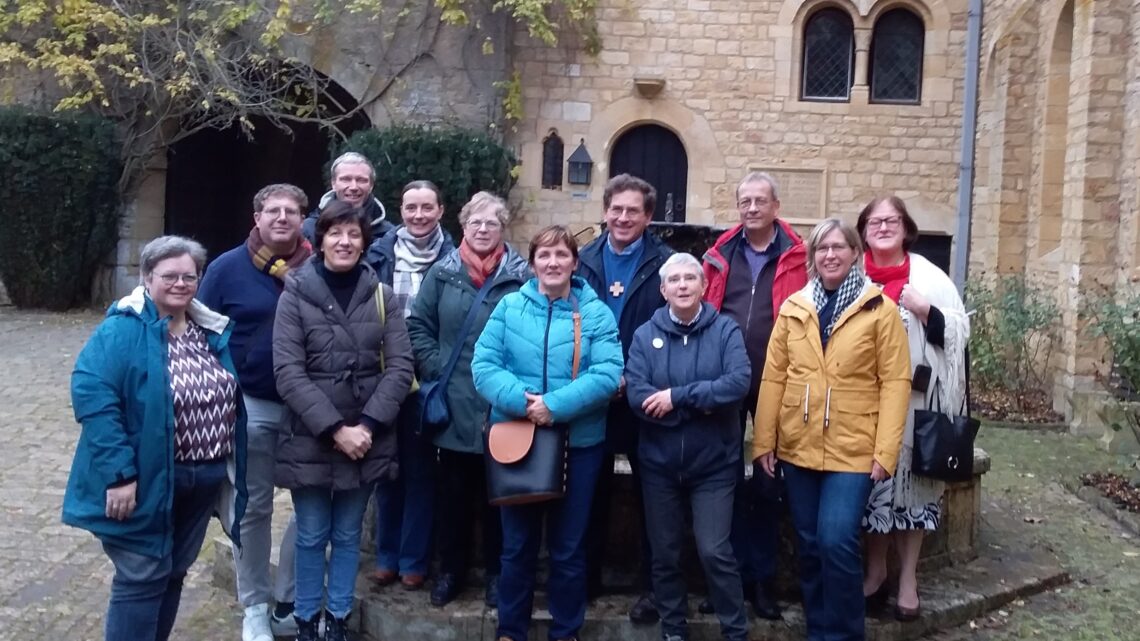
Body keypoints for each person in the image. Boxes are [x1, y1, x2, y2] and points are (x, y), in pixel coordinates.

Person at [63, 235, 248, 641]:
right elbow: (93, 396)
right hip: (144, 479)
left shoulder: (207, 329)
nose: (181, 283)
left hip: (203, 478)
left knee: (172, 572)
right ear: (147, 278)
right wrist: (119, 474)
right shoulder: (122, 329)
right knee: (142, 574)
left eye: (189, 276)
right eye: (169, 276)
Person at [752, 218, 910, 641]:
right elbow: (774, 376)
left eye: (840, 247)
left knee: (836, 540)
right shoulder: (795, 307)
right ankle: (818, 630)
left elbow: (895, 382)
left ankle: (844, 634)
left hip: (854, 446)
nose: (831, 255)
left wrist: (886, 450)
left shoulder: (879, 309)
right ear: (812, 256)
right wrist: (765, 440)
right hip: (799, 443)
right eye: (823, 248)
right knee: (808, 543)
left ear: (856, 254)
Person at [472, 225, 623, 641]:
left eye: (561, 255)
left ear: (575, 262)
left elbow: (608, 373)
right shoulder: (509, 307)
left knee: (568, 548)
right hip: (518, 436)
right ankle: (510, 630)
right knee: (516, 545)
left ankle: (566, 631)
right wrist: (525, 403)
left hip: (580, 443)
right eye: (544, 255)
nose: (553, 262)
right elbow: (483, 366)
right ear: (533, 262)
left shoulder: (595, 313)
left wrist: (554, 407)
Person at [273, 201, 414, 641]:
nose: (345, 242)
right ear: (320, 240)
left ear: (364, 242)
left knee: (349, 534)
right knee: (313, 534)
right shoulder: (295, 294)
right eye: (336, 233)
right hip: (312, 436)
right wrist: (336, 429)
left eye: (354, 235)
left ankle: (336, 619)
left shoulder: (382, 296)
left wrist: (367, 426)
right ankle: (305, 620)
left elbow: (400, 367)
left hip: (368, 436)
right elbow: (288, 371)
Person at [407, 191, 530, 607]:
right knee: (453, 499)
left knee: (501, 500)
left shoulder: (521, 276)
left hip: (503, 406)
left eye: (491, 223)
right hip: (455, 402)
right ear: (463, 226)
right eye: (475, 222)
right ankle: (451, 572)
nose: (482, 229)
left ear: (503, 228)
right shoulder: (441, 274)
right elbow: (418, 325)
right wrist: (436, 366)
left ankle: (498, 575)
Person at [198, 183, 308, 641]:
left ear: (304, 219)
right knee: (253, 507)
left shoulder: (320, 267)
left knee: (313, 505)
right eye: (273, 210)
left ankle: (289, 597)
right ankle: (255, 606)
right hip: (252, 405)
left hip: (309, 408)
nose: (282, 218)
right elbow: (201, 334)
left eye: (291, 211)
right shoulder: (226, 269)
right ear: (257, 217)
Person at [625, 253, 753, 641]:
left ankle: (735, 630)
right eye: (674, 280)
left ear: (702, 286)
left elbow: (737, 383)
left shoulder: (725, 331)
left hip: (713, 465)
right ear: (663, 290)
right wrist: (702, 407)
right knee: (665, 553)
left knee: (714, 550)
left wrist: (678, 398)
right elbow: (638, 395)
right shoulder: (645, 336)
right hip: (659, 465)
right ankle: (673, 629)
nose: (682, 285)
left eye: (690, 279)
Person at [857, 196, 970, 621]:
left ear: (906, 228)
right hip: (864, 403)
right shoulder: (853, 272)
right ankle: (874, 572)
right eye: (874, 221)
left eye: (892, 220)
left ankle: (907, 581)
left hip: (918, 403)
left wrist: (926, 310)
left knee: (914, 492)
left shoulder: (930, 276)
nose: (883, 227)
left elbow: (960, 331)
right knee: (873, 491)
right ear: (863, 229)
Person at [700, 171, 807, 619]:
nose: (751, 208)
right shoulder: (720, 253)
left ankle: (761, 582)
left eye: (760, 201)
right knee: (719, 482)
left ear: (775, 206)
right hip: (725, 382)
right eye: (745, 201)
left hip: (775, 385)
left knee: (766, 485)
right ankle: (724, 583)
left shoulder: (800, 255)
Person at [576, 173, 672, 622]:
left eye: (633, 210)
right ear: (604, 211)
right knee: (586, 491)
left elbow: (673, 331)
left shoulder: (666, 264)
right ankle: (584, 579)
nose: (623, 217)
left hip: (644, 398)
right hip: (592, 396)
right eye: (616, 209)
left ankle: (654, 587)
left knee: (652, 495)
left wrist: (634, 378)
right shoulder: (581, 260)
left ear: (648, 217)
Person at [369, 180, 455, 592]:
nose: (418, 215)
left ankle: (414, 560)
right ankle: (386, 555)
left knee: (421, 472)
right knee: (388, 469)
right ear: (400, 211)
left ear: (440, 210)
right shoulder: (379, 255)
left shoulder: (453, 259)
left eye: (426, 207)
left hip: (428, 382)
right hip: (384, 378)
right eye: (410, 207)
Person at [301, 152, 393, 244]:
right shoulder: (308, 229)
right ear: (333, 183)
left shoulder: (389, 235)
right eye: (346, 179)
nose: (354, 187)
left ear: (371, 185)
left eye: (361, 180)